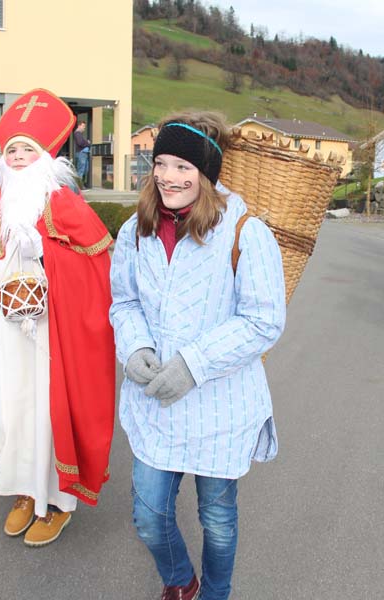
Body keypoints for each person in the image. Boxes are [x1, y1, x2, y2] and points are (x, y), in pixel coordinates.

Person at [110, 111, 286, 600]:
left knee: (218, 520)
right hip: (155, 403)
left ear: (206, 174)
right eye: (161, 164)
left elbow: (264, 320)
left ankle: (214, 594)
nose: (168, 177)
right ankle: (180, 581)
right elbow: (123, 302)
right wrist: (135, 347)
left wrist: (194, 363)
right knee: (148, 515)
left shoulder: (245, 232)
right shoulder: (135, 231)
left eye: (183, 167)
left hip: (218, 407)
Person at [0, 89, 115, 546]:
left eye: (26, 150)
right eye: (11, 150)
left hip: (50, 337)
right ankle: (21, 491)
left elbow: (98, 273)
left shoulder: (68, 207)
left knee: (47, 416)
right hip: (4, 333)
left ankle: (55, 502)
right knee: (8, 411)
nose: (16, 157)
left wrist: (46, 257)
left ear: (45, 158)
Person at [73, 120, 91, 185]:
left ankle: (81, 184)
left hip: (83, 153)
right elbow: (80, 143)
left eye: (85, 126)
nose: (84, 128)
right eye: (83, 126)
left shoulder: (79, 134)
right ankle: (79, 185)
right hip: (81, 153)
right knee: (81, 170)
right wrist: (87, 143)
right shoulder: (77, 133)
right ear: (79, 126)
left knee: (84, 169)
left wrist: (86, 142)